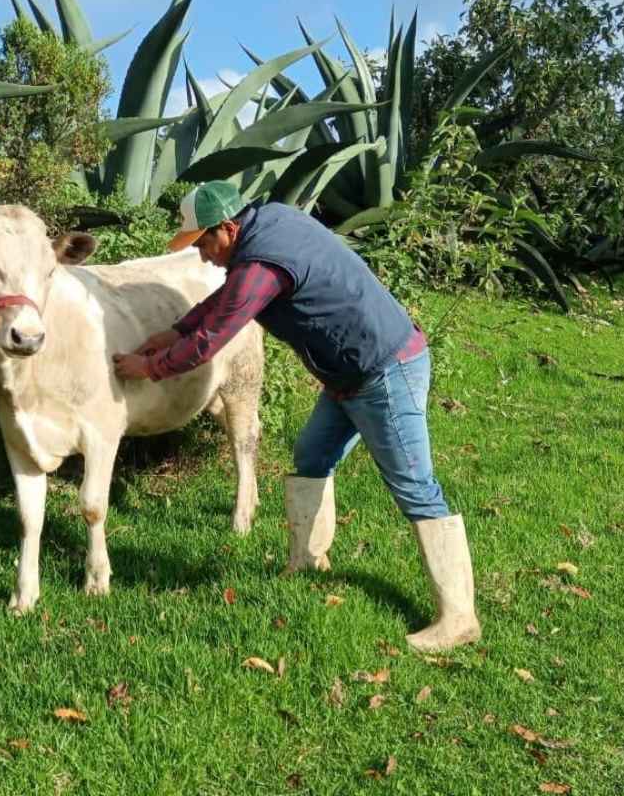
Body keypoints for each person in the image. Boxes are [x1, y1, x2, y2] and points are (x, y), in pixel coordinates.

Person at [113, 181, 481, 653]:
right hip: (349, 373)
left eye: (204, 242)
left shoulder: (262, 263)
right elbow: (223, 303)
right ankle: (308, 560)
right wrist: (173, 331)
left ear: (227, 228)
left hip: (385, 371)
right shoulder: (269, 225)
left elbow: (212, 340)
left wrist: (149, 367)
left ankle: (458, 616)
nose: (202, 256)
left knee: (414, 484)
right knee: (312, 453)